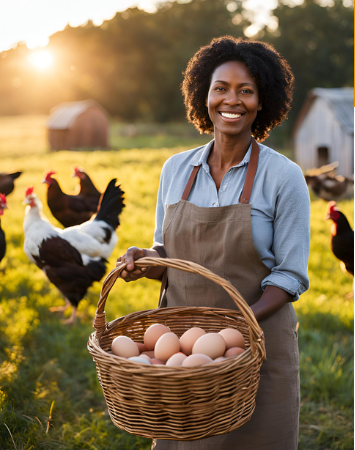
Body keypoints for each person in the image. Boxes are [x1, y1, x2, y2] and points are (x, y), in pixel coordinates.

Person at [116, 36, 310, 450]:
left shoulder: (283, 176)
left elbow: (291, 275)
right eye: (221, 88)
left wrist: (238, 325)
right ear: (203, 93)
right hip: (182, 347)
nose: (231, 100)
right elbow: (166, 255)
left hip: (256, 342)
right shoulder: (176, 168)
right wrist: (143, 260)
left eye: (246, 90)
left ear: (262, 101)